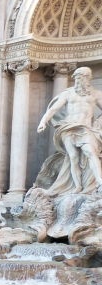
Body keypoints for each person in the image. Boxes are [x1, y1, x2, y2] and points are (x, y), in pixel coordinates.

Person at [37, 66, 102, 195]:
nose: (79, 80)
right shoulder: (68, 93)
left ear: (88, 78)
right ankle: (77, 186)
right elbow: (54, 109)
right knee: (73, 157)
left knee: (91, 152)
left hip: (85, 128)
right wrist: (43, 121)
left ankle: (100, 182)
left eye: (82, 77)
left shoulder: (96, 94)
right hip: (68, 128)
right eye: (77, 77)